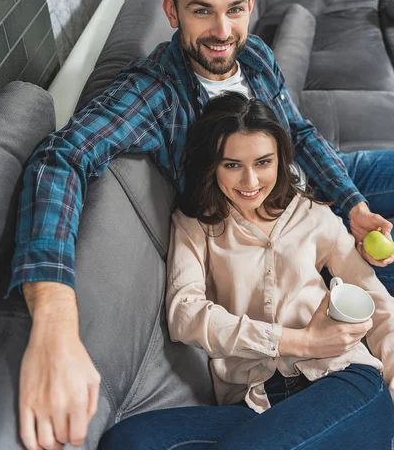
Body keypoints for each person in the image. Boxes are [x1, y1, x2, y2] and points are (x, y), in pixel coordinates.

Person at [9, 0, 394, 450]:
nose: (221, 30)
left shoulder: (254, 55)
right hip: (250, 227)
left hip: (307, 202)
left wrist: (352, 205)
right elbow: (62, 158)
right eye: (201, 11)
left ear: (251, 6)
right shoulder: (154, 94)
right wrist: (55, 320)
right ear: (172, 11)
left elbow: (298, 134)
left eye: (234, 9)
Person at [98, 92, 394, 450]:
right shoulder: (196, 225)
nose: (250, 181)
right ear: (212, 165)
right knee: (129, 441)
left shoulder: (314, 215)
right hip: (256, 404)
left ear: (280, 160)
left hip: (343, 380)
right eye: (233, 165)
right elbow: (185, 313)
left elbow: (379, 308)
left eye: (263, 162)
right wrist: (300, 341)